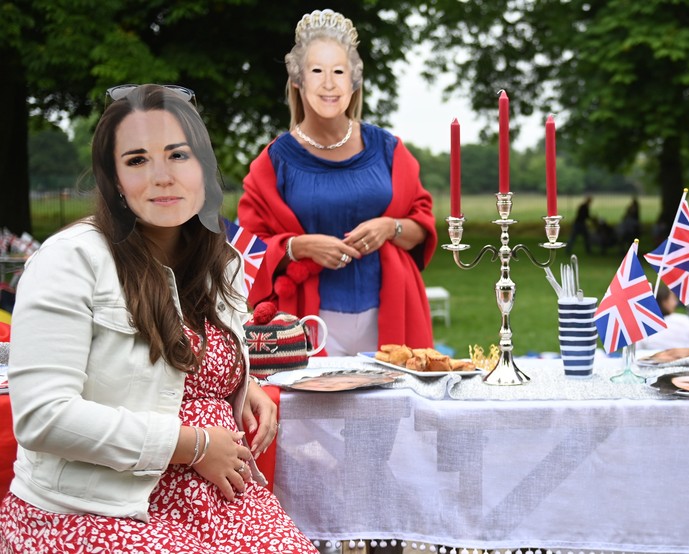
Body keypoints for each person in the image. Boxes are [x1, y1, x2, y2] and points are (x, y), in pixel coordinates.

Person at [0, 84, 317, 553]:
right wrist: (195, 446)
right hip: (99, 508)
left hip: (223, 504)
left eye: (177, 155)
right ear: (114, 180)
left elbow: (180, 359)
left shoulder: (222, 261)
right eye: (137, 160)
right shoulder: (68, 260)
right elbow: (43, 417)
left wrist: (238, 384)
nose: (162, 176)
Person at [238, 9, 436, 356]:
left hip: (391, 316)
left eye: (339, 72)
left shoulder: (389, 150)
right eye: (317, 71)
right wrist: (298, 247)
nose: (329, 83)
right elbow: (246, 252)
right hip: (306, 323)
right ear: (298, 79)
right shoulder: (272, 163)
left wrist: (390, 227)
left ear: (353, 82)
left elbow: (422, 225)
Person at [637, 285, 689, 352]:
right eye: (673, 299)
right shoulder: (684, 321)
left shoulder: (644, 324)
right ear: (664, 302)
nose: (676, 302)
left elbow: (637, 350)